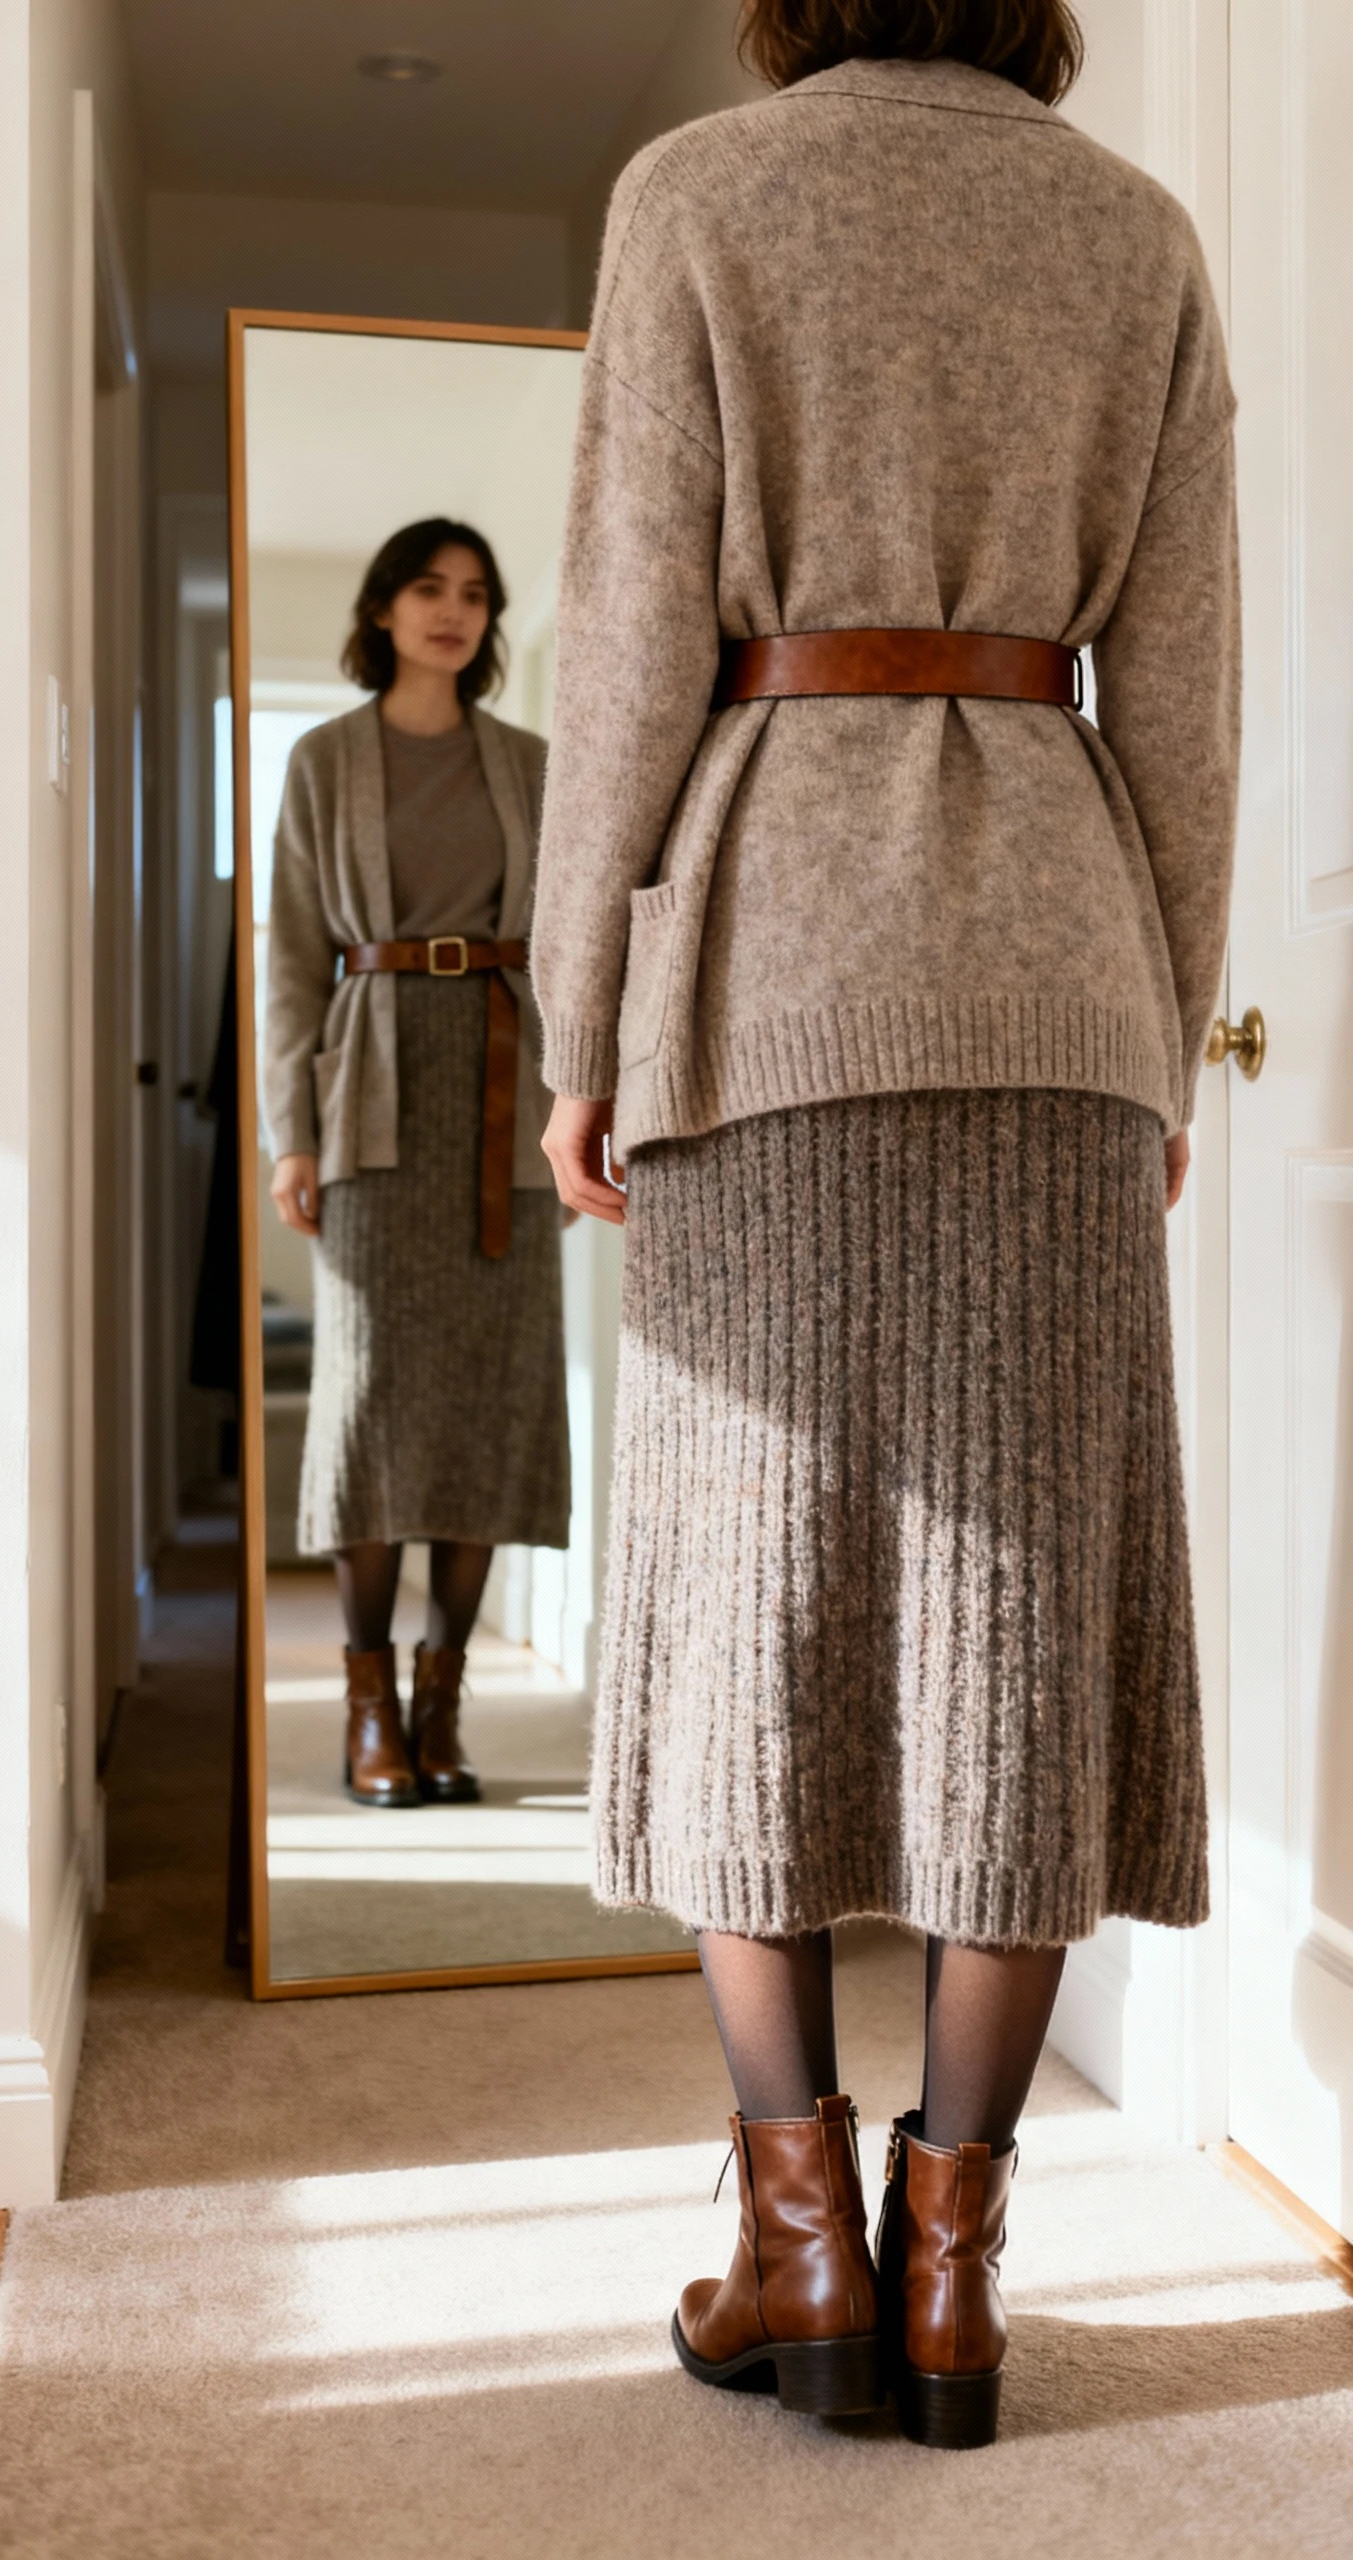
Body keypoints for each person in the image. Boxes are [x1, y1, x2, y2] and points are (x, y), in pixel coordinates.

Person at [532, 0, 1237, 2448]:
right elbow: (1181, 694)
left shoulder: (696, 199)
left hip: (770, 956)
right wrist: (1165, 1019)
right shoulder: (1137, 233)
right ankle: (954, 2270)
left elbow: (633, 637)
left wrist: (580, 1018)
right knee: (1022, 1610)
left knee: (750, 1594)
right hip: (1059, 972)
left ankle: (798, 2240)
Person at [266, 519, 571, 1810]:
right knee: (372, 1406)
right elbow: (291, 957)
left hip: (507, 1100)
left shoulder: (533, 766)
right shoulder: (324, 761)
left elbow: (575, 948)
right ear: (384, 609)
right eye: (429, 589)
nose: (454, 611)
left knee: (490, 1404)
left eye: (477, 595)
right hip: (375, 1101)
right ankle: (369, 1705)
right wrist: (292, 1132)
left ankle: (443, 1706)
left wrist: (581, 1111)